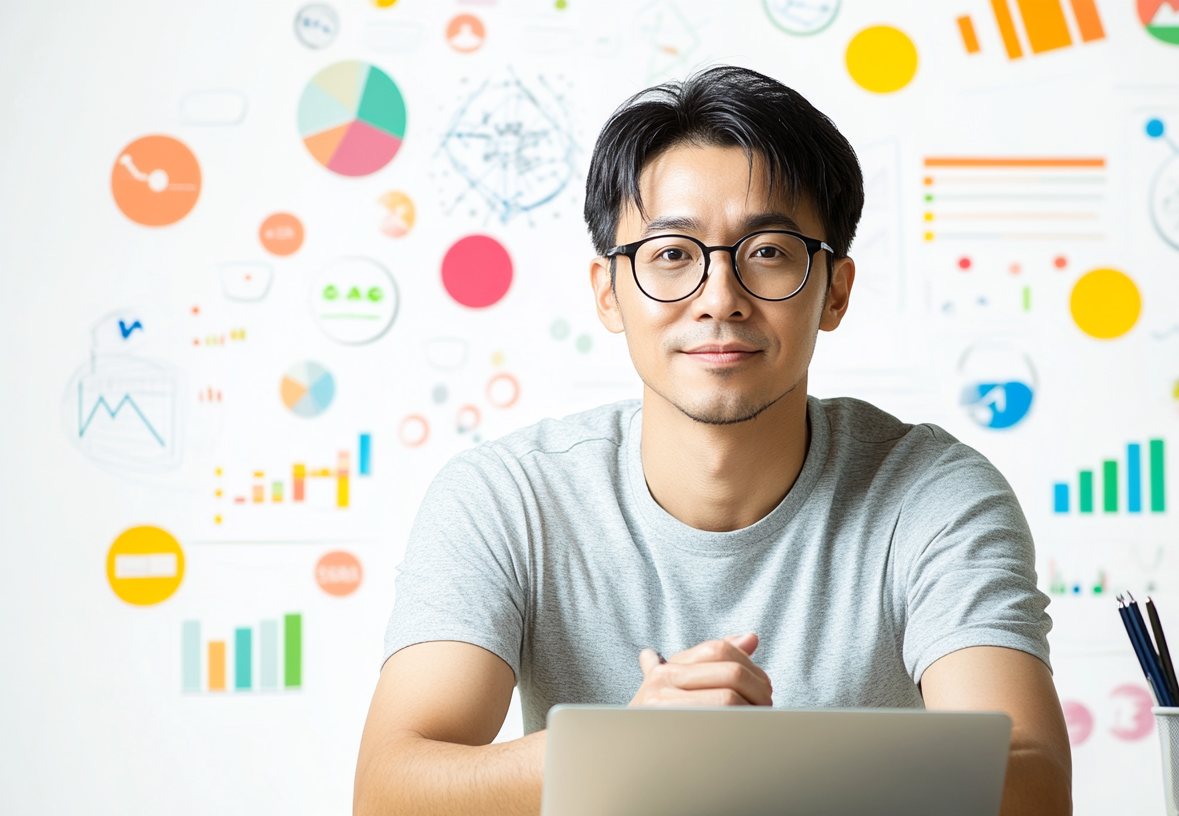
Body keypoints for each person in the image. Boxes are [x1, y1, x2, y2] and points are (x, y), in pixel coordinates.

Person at [354, 66, 1071, 816]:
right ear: (609, 293)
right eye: (672, 254)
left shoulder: (935, 494)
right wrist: (625, 748)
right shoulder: (505, 498)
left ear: (836, 290)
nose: (720, 298)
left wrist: (746, 764)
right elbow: (389, 789)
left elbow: (1034, 785)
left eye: (768, 251)